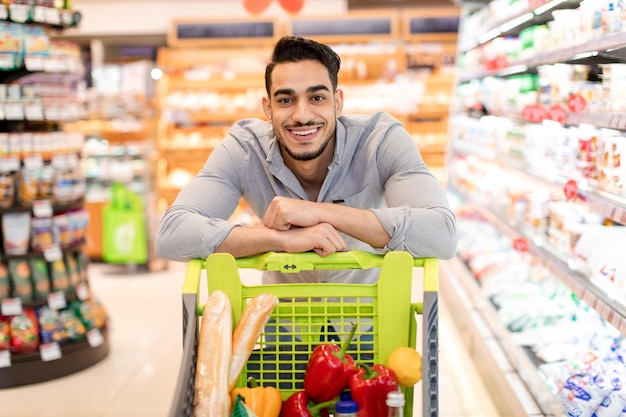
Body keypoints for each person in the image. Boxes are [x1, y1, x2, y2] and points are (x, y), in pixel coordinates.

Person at [154, 35, 457, 284]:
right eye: (286, 100)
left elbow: (441, 234)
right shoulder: (244, 148)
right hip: (285, 324)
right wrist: (276, 239)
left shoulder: (380, 140)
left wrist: (316, 213)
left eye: (317, 98)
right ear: (268, 108)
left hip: (368, 320)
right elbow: (172, 234)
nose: (301, 115)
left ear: (337, 103)